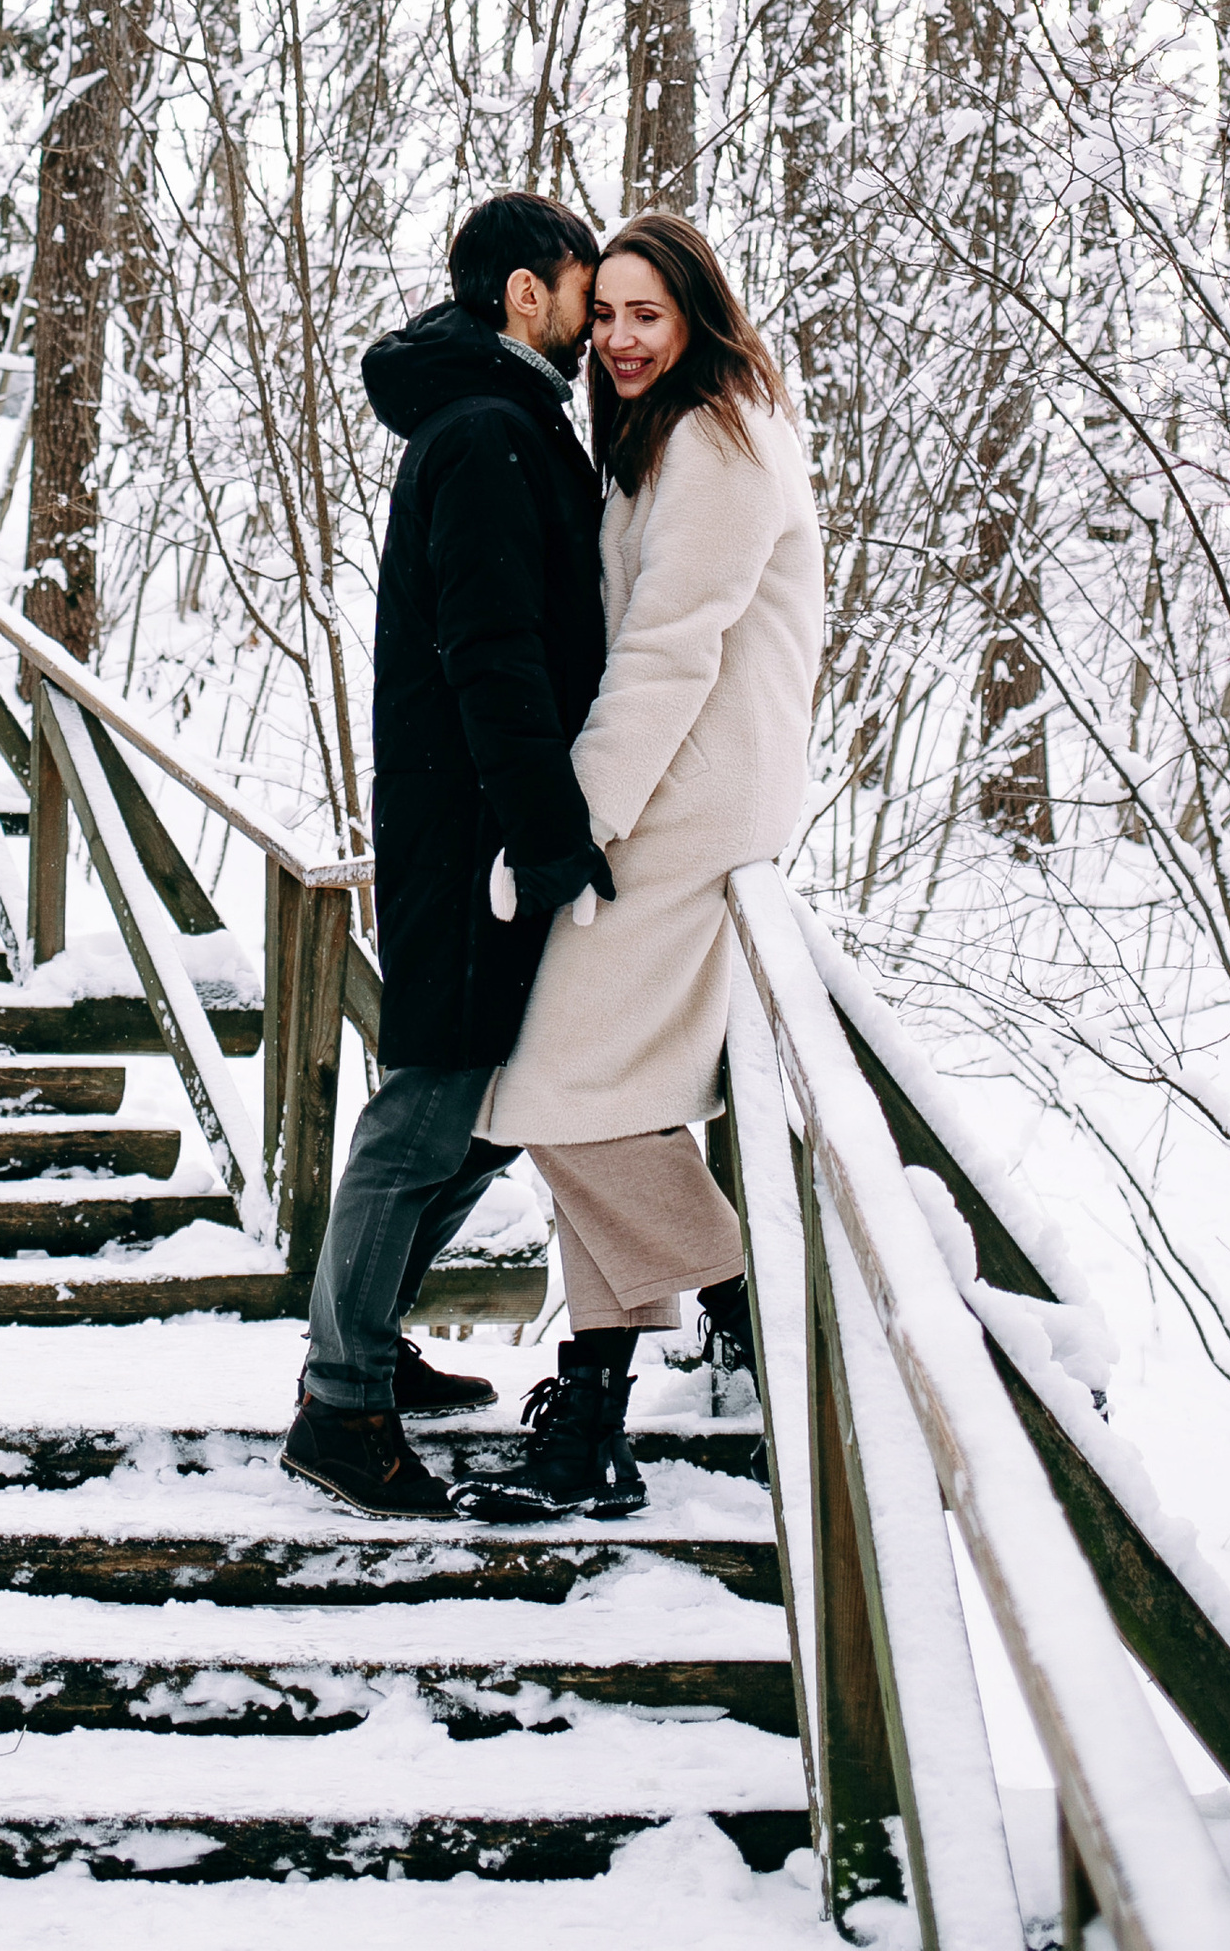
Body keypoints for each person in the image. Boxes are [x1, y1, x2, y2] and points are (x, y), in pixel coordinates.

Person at [480, 210, 823, 1516]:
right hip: (672, 795)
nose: (620, 339)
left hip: (688, 805)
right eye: (609, 314)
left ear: (697, 318)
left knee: (554, 1087)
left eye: (648, 315)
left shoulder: (722, 441)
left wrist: (566, 831)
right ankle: (594, 1425)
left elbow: (671, 651)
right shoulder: (669, 437)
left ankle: (755, 1305)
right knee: (598, 1097)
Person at [281, 188, 611, 1519]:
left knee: (486, 1114)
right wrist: (547, 834)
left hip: (477, 825)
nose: (595, 316)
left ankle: (365, 1342)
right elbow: (493, 654)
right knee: (428, 1112)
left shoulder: (505, 422)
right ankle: (341, 1407)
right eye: (583, 288)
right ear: (527, 294)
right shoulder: (485, 432)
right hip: (475, 833)